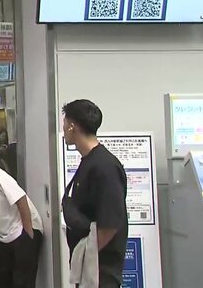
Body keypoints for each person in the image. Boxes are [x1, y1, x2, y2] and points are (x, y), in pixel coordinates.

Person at [61, 99, 128, 288]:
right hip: (89, 265)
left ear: (72, 126)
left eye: (65, 124)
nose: (64, 129)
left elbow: (111, 223)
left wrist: (87, 254)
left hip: (101, 269)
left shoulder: (105, 166)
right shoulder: (88, 161)